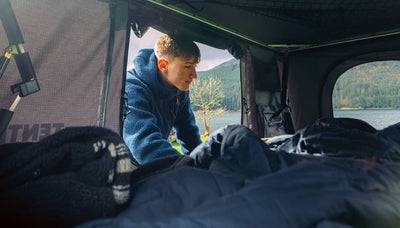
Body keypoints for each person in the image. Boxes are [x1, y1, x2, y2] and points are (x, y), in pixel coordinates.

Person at [123, 34, 202, 164]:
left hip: (153, 168)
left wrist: (203, 164)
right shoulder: (132, 89)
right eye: (188, 66)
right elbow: (145, 145)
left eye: (195, 66)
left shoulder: (179, 92)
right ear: (163, 64)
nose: (194, 75)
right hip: (124, 170)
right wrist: (184, 168)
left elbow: (189, 135)